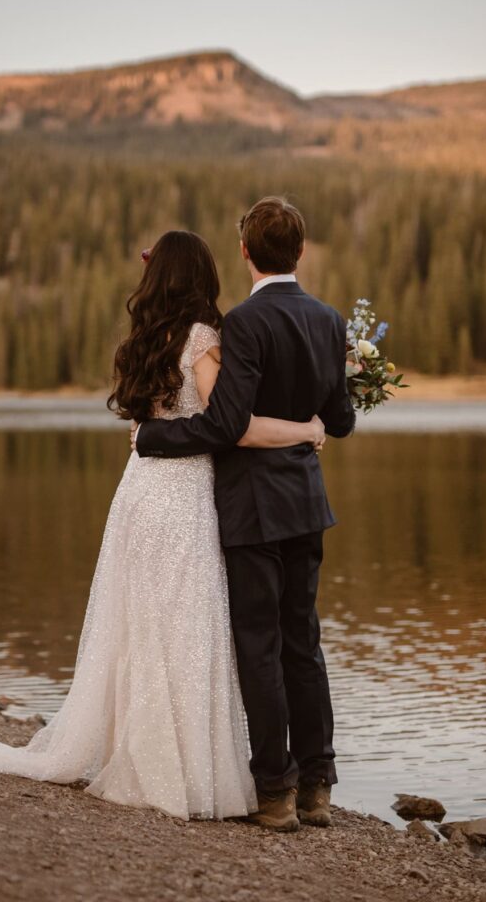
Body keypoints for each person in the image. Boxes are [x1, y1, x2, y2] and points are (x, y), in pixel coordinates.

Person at [0, 229, 324, 822]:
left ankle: (142, 753)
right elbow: (228, 428)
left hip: (138, 492)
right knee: (185, 626)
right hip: (182, 496)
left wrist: (156, 437)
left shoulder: (145, 338)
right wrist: (305, 430)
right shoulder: (204, 338)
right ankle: (183, 770)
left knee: (143, 625)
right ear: (203, 276)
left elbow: (155, 424)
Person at [134, 196, 355, 832]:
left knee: (259, 648)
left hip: (253, 509)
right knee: (303, 643)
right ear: (302, 251)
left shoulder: (245, 324)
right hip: (308, 505)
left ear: (244, 252)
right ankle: (318, 787)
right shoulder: (328, 317)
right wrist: (317, 414)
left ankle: (275, 793)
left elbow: (227, 424)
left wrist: (152, 438)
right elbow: (338, 421)